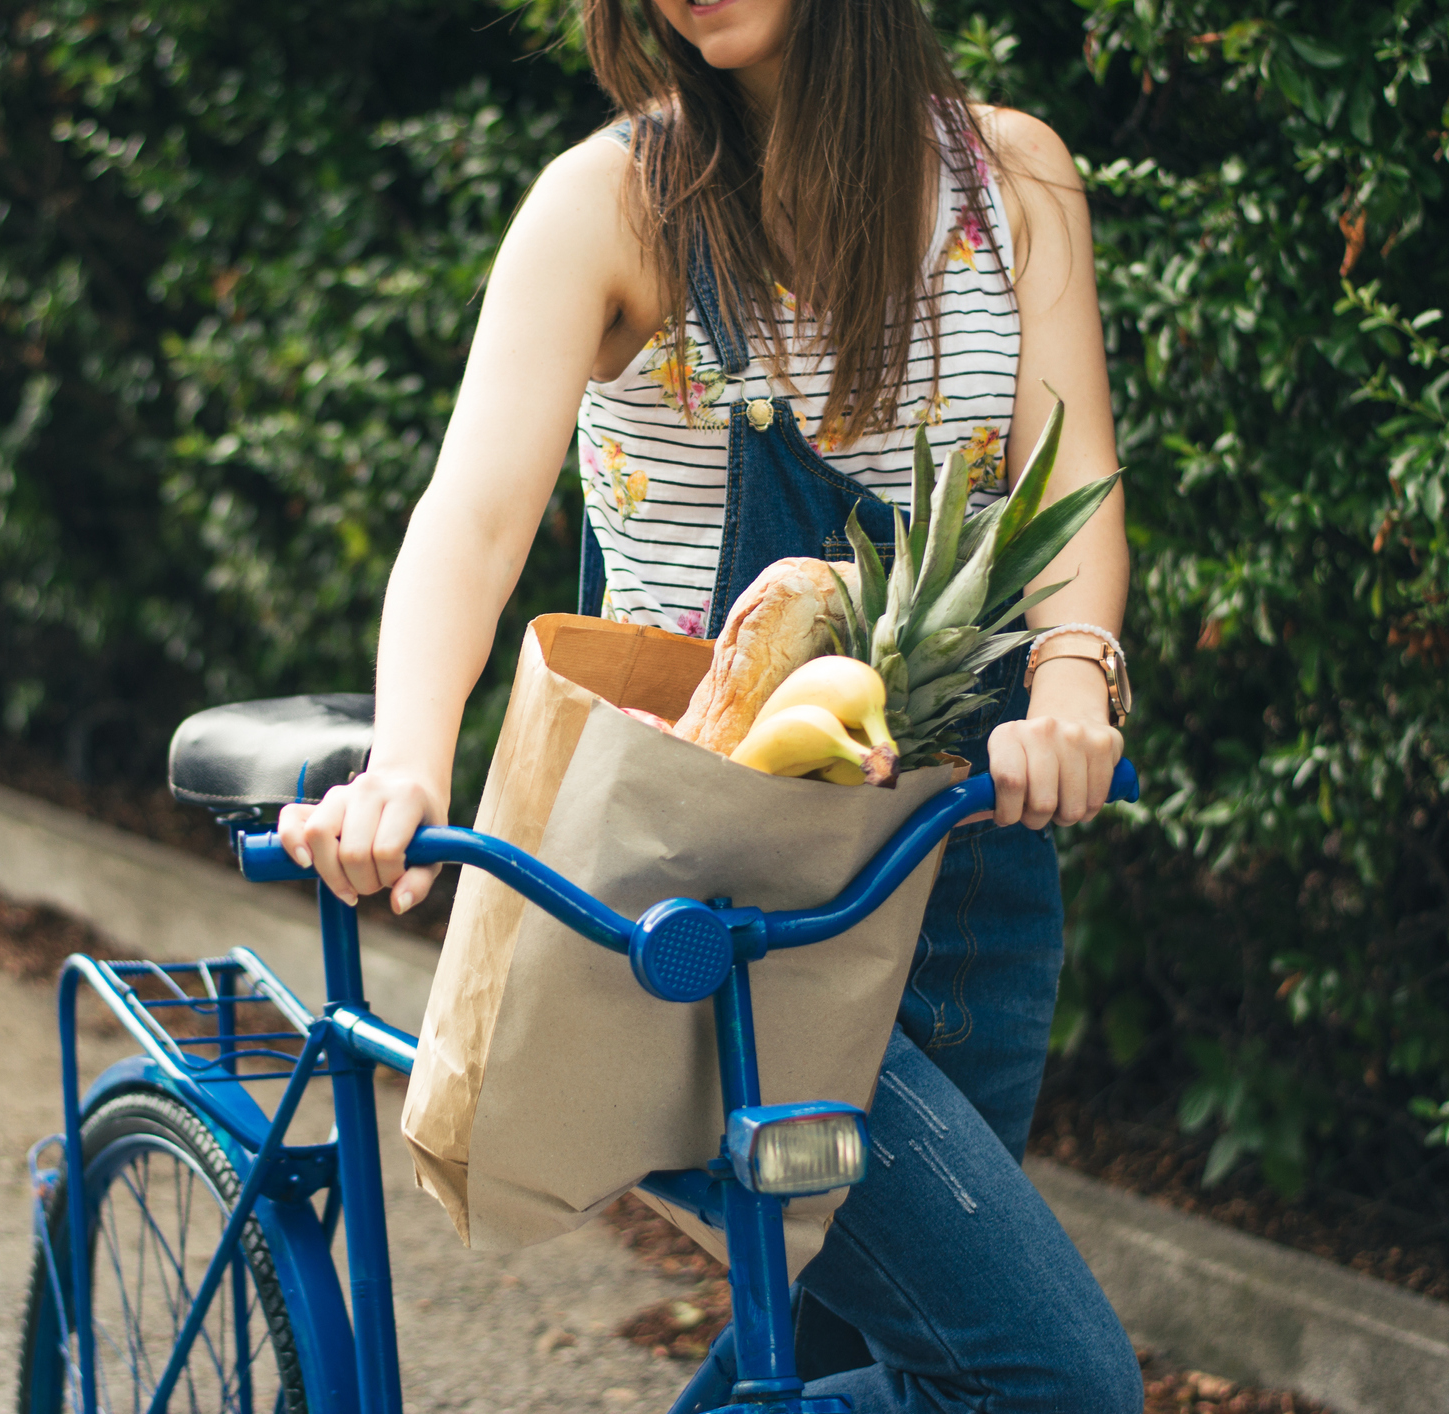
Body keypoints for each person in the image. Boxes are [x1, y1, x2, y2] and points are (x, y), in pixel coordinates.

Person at [279, 1, 1141, 1408]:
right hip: (709, 911)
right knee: (1044, 1383)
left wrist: (1067, 682)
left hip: (958, 870)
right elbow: (475, 514)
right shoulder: (611, 203)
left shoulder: (1013, 184)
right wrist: (408, 762)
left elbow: (1065, 489)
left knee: (835, 1353)